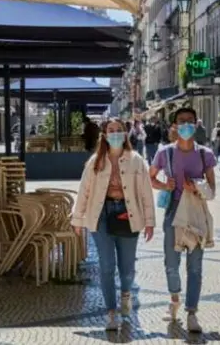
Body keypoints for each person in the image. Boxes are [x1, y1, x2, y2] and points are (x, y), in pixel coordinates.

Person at [71, 118, 155, 330]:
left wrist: (150, 222)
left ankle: (126, 293)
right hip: (100, 215)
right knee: (106, 266)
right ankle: (110, 312)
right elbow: (84, 191)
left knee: (127, 268)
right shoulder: (95, 162)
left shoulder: (136, 160)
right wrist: (77, 219)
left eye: (119, 130)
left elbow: (146, 193)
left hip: (128, 215)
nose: (115, 133)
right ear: (105, 135)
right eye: (111, 130)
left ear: (125, 134)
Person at [149, 107, 216, 333]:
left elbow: (212, 190)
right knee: (171, 263)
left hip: (196, 212)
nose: (186, 124)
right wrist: (163, 185)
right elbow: (151, 178)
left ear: (196, 124)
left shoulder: (205, 154)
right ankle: (174, 298)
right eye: (181, 121)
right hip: (173, 212)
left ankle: (192, 312)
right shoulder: (164, 153)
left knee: (195, 266)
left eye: (190, 121)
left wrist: (196, 188)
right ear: (174, 126)